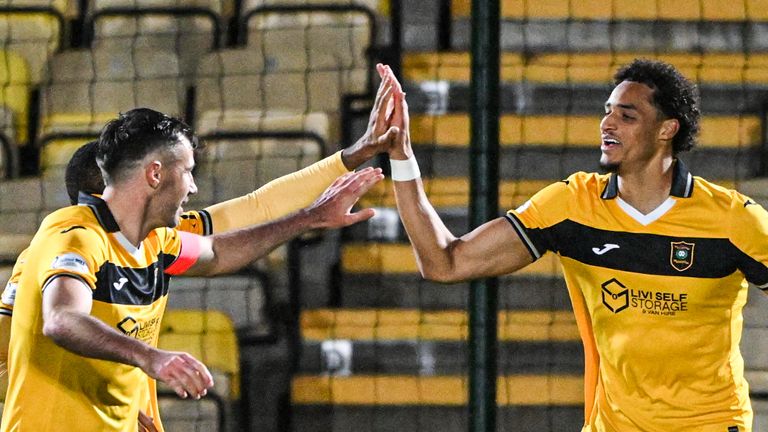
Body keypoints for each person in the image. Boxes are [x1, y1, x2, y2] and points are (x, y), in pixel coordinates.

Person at [0, 65, 399, 432]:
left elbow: (239, 228)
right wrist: (124, 374)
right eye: (187, 172)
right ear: (145, 177)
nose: (193, 187)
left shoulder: (159, 239)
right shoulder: (66, 238)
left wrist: (348, 164)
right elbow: (54, 326)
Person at [381, 58, 768, 431]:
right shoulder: (572, 205)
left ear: (667, 130)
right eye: (607, 111)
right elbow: (444, 263)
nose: (607, 124)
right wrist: (402, 155)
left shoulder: (731, 219)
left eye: (626, 116)